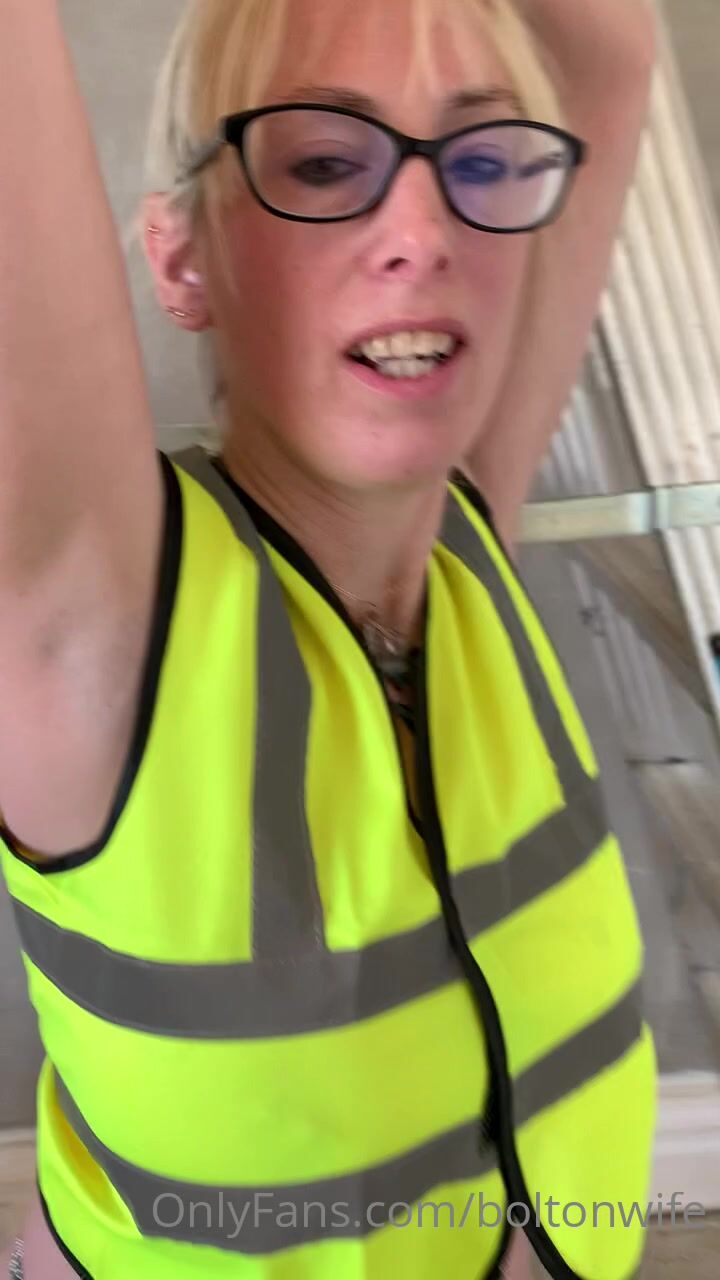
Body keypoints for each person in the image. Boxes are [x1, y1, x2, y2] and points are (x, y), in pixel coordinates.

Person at [0, 0, 657, 1277]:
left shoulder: (465, 543)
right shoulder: (92, 636)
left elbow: (605, 51)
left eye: (481, 160)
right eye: (319, 163)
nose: (425, 230)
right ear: (182, 259)